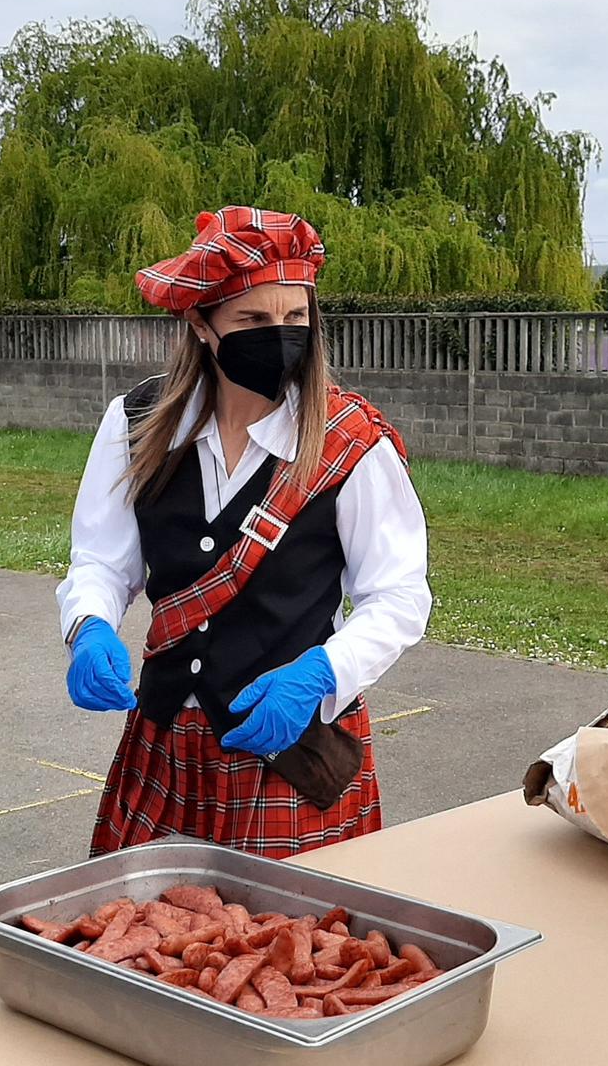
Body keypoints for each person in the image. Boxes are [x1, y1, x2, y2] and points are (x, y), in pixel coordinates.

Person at [57, 207, 430, 858]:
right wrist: (89, 624)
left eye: (294, 318)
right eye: (252, 320)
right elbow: (101, 560)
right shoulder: (137, 423)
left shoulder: (351, 443)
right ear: (201, 324)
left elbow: (399, 595)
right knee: (145, 941)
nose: (279, 336)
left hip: (290, 753)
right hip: (165, 744)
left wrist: (323, 671)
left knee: (302, 954)